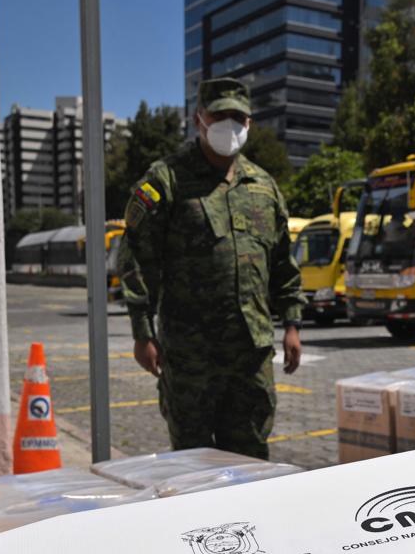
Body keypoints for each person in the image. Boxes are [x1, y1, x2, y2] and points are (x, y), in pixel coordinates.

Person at [118, 77, 305, 459]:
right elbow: (136, 257)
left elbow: (283, 262)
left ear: (250, 123)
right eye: (220, 115)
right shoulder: (166, 180)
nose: (230, 124)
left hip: (250, 356)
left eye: (238, 116)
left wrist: (292, 324)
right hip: (191, 357)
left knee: (251, 458)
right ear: (198, 118)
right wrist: (142, 332)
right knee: (192, 463)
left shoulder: (264, 186)